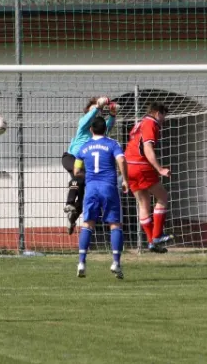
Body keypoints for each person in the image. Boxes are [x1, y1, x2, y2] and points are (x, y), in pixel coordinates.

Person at [73, 116, 128, 279]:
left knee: (88, 224)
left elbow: (76, 171)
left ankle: (82, 262)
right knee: (115, 224)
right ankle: (116, 263)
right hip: (108, 187)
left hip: (91, 189)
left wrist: (88, 174)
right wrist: (125, 179)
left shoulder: (84, 147)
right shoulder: (112, 144)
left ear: (91, 130)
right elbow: (121, 160)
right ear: (105, 129)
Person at [62, 96, 119, 235]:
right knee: (78, 176)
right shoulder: (83, 126)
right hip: (71, 157)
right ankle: (69, 203)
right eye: (91, 111)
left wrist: (112, 114)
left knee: (84, 198)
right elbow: (87, 119)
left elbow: (108, 126)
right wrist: (97, 107)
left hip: (85, 164)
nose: (94, 114)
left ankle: (72, 217)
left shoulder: (96, 131)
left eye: (97, 111)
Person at [125, 102, 173, 253]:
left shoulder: (139, 124)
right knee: (163, 197)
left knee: (143, 203)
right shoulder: (150, 123)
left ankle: (151, 242)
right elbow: (147, 147)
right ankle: (157, 235)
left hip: (128, 165)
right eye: (164, 115)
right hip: (140, 165)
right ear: (158, 113)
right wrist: (160, 169)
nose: (164, 119)